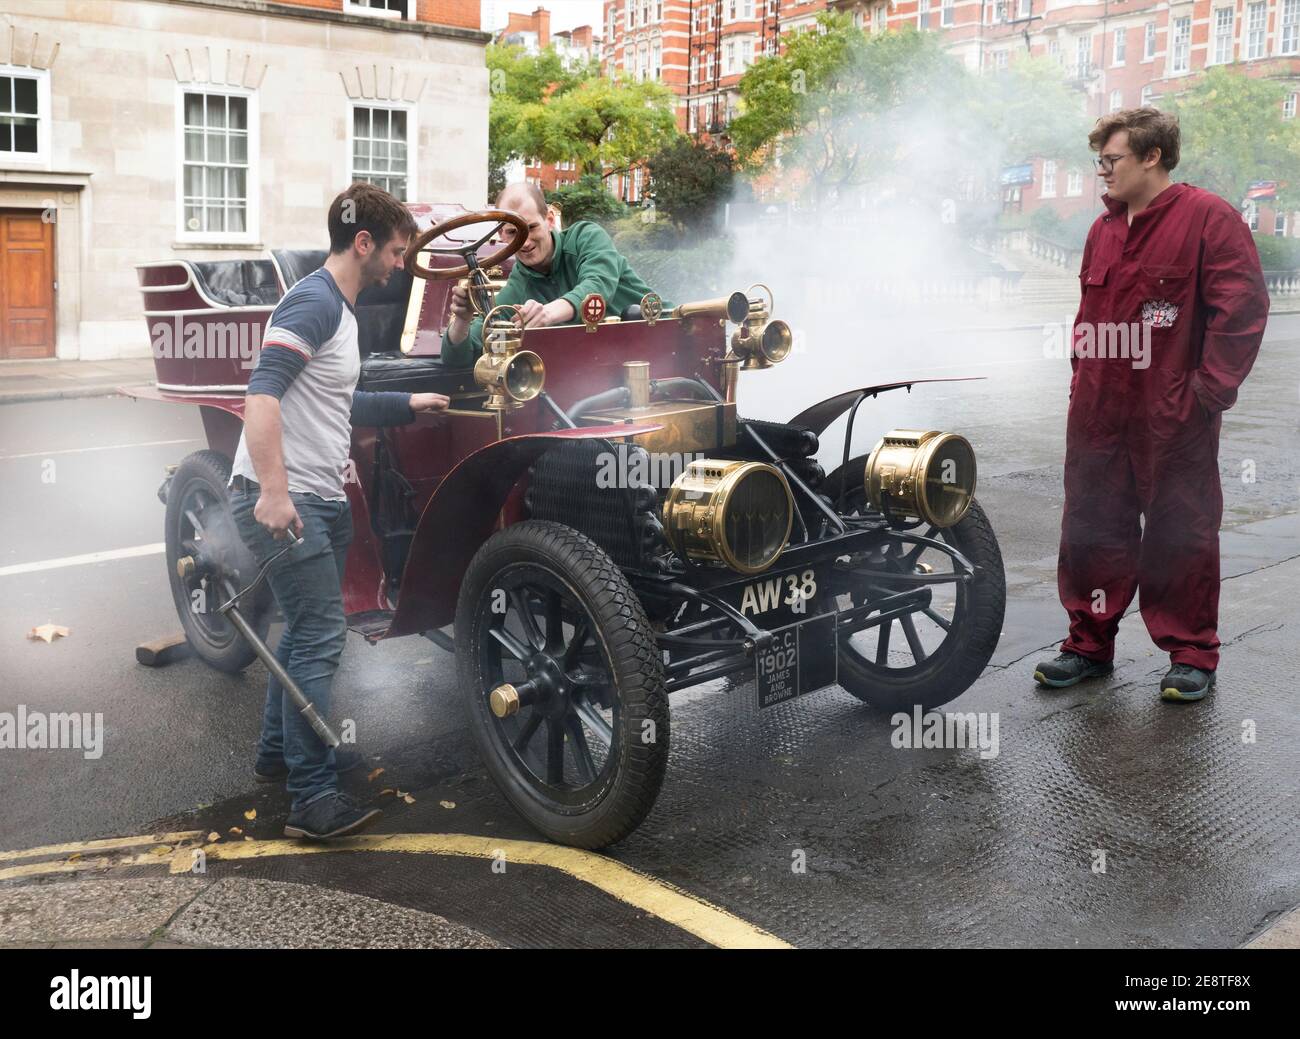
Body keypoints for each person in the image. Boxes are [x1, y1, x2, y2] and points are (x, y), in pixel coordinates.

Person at [231, 182, 449, 839]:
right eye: (395, 249)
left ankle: (283, 754)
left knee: (303, 633)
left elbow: (337, 403)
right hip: (285, 499)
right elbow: (261, 396)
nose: (400, 263)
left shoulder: (344, 315)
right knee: (322, 637)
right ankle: (313, 798)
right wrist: (273, 492)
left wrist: (407, 406)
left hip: (319, 498)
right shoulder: (315, 301)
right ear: (363, 243)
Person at [1033, 108, 1269, 703]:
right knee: (1090, 527)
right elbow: (1087, 322)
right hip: (1097, 414)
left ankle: (1191, 653)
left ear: (1152, 156)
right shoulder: (1103, 230)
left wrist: (1208, 394)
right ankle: (1087, 643)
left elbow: (1240, 312)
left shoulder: (1208, 219)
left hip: (1172, 415)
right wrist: (1079, 385)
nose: (1102, 173)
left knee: (1180, 530)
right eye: (1100, 162)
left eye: (1111, 161)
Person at [441, 182, 665, 367]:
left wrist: (548, 314)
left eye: (531, 228)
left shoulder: (586, 238)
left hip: (664, 345)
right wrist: (462, 319)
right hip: (603, 371)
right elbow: (459, 360)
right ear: (502, 235)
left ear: (549, 219)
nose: (525, 242)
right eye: (512, 233)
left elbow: (597, 287)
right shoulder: (517, 288)